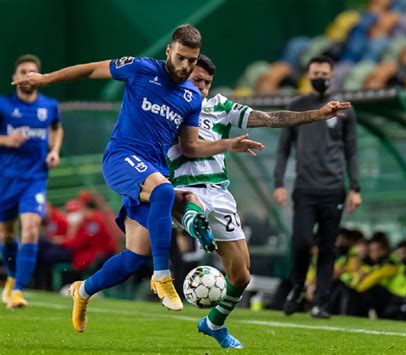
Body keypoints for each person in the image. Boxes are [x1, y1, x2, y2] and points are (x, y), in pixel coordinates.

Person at [12, 24, 264, 332]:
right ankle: (162, 276)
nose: (186, 66)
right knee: (164, 191)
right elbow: (91, 70)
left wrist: (229, 144)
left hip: (151, 169)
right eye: (181, 58)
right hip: (122, 157)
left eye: (192, 60)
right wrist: (44, 79)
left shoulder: (191, 98)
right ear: (169, 51)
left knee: (132, 258)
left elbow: (190, 145)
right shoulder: (140, 68)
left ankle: (83, 291)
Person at [168, 55, 350, 348]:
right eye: (196, 81)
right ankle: (194, 223)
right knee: (191, 203)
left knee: (241, 276)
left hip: (220, 193)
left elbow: (270, 118)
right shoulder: (169, 106)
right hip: (183, 188)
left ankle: (213, 324)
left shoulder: (220, 107)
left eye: (207, 83)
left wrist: (317, 114)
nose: (201, 88)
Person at [273, 55, 362, 318]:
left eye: (324, 73)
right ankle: (298, 287)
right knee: (301, 243)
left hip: (334, 188)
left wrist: (355, 187)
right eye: (315, 73)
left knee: (328, 247)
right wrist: (278, 183)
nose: (320, 77)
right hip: (305, 188)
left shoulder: (345, 109)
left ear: (332, 76)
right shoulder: (297, 105)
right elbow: (283, 150)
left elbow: (352, 151)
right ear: (307, 74)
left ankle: (320, 302)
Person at [0, 54, 63, 308]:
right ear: (14, 79)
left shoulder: (49, 106)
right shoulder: (3, 106)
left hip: (35, 179)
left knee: (30, 229)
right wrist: (6, 140)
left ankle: (18, 291)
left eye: (32, 71)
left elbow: (56, 128)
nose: (27, 76)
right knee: (6, 236)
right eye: (22, 71)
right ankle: (12, 278)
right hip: (6, 180)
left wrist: (54, 150)